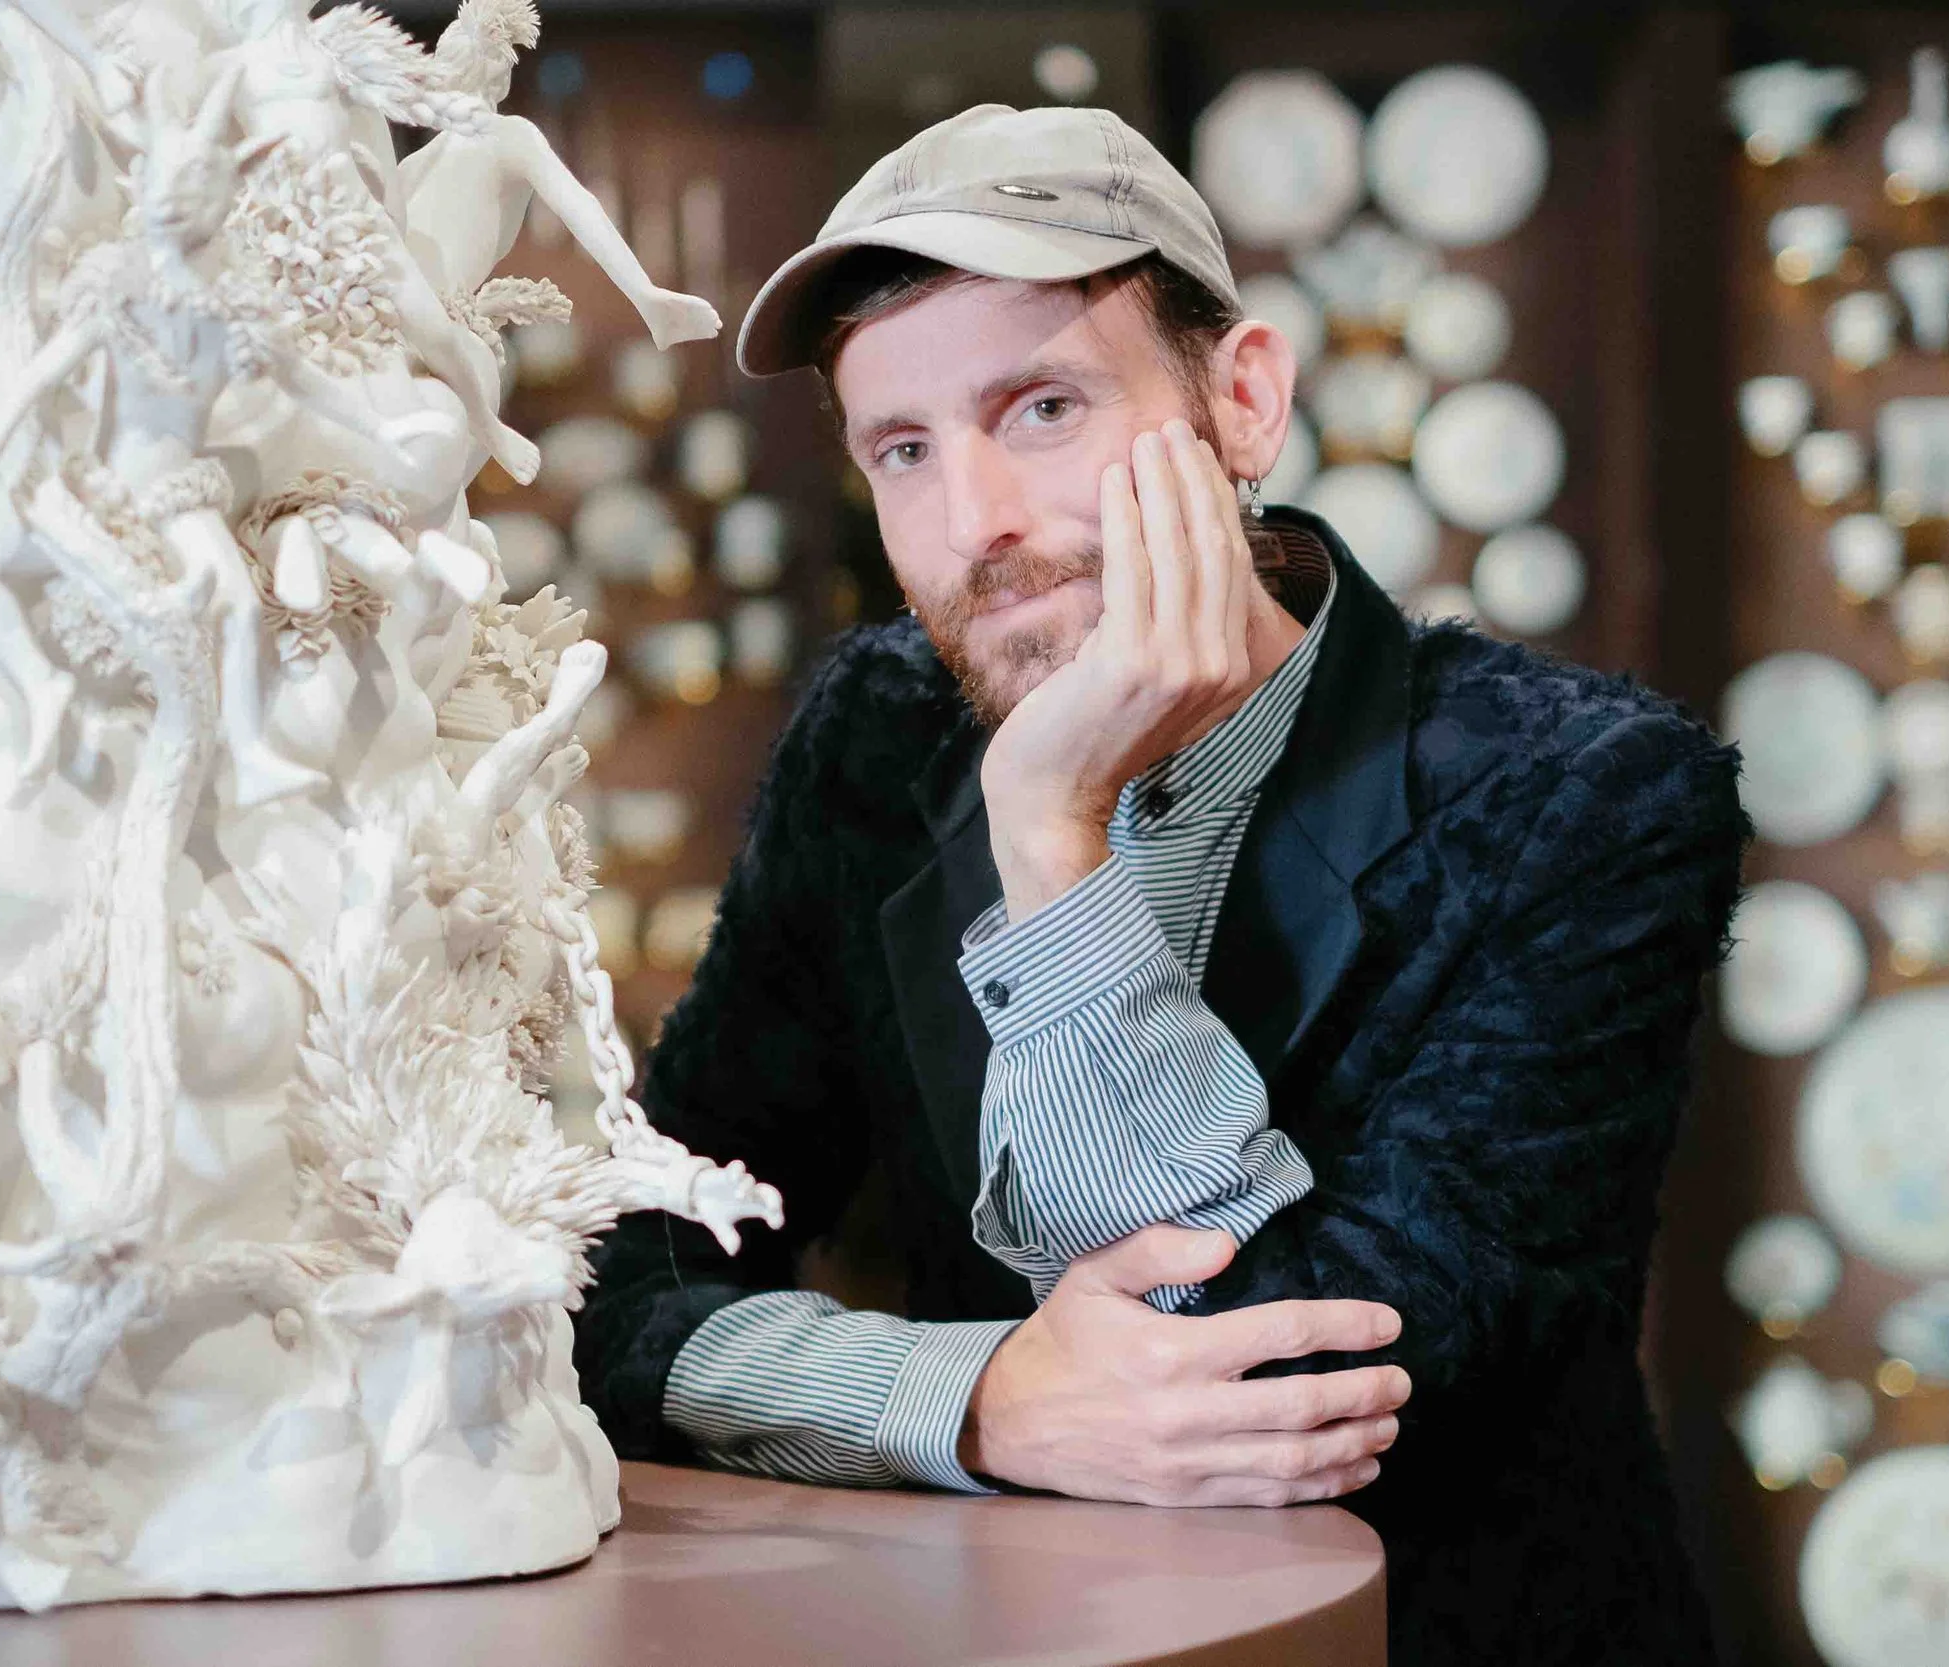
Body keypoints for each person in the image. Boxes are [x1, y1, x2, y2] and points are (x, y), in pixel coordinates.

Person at [570, 104, 1745, 1667]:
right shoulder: (876, 737)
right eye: (903, 450)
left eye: (1042, 407)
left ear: (1242, 400)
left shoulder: (1581, 794)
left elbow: (1275, 1405)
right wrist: (978, 1397)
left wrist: (1053, 829)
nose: (974, 520)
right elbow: (615, 1271)